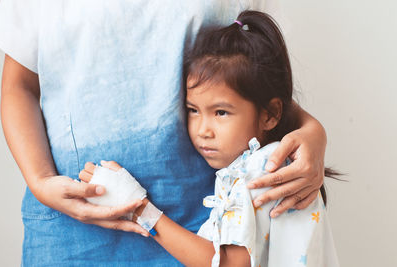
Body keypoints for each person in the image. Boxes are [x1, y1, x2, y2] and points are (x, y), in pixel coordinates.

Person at [0, 1, 327, 265]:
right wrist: (40, 181)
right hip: (72, 231)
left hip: (204, 219)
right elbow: (19, 86)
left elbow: (250, 76)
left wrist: (312, 131)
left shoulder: (249, 181)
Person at [80, 11, 339, 267]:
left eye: (221, 112)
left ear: (270, 115)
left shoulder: (260, 170)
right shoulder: (271, 163)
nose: (203, 129)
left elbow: (227, 264)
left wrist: (139, 209)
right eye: (193, 110)